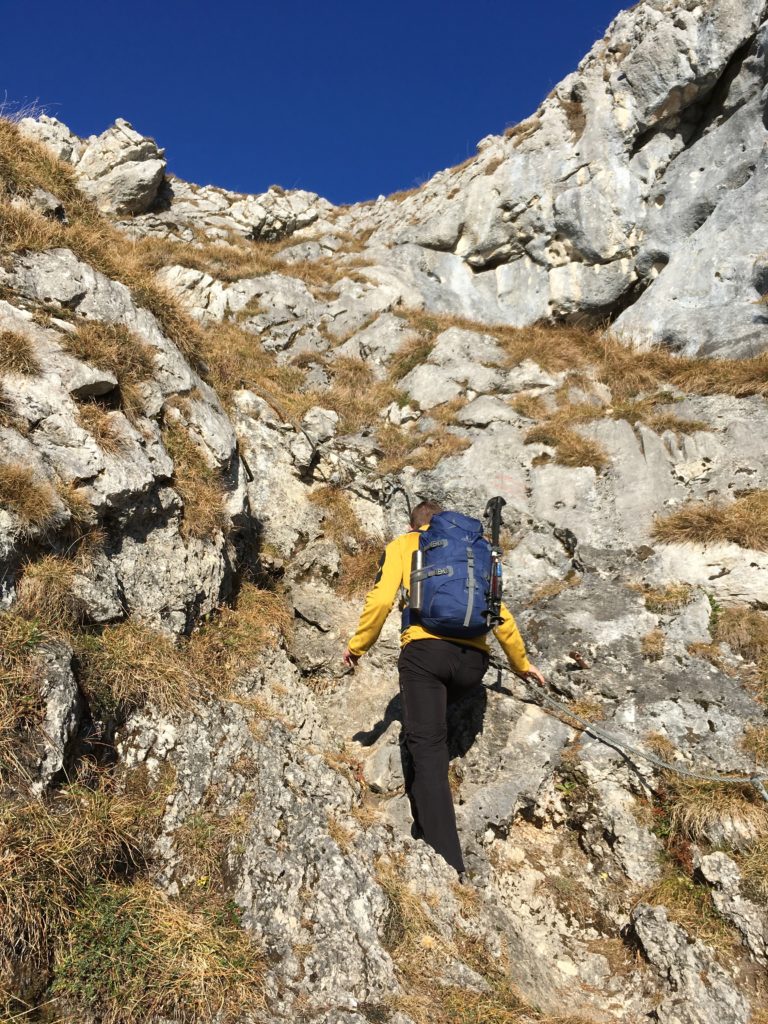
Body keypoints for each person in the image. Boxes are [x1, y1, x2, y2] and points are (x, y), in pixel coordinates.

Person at [342, 499, 545, 878]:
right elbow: (499, 613)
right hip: (473, 667)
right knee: (428, 733)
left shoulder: (405, 545)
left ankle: (446, 861)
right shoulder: (476, 552)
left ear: (414, 524)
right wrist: (520, 665)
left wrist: (357, 647)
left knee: (428, 747)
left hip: (426, 655)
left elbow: (383, 598)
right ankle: (424, 813)